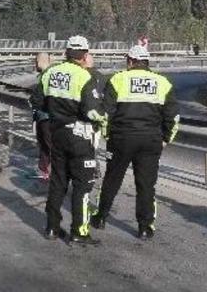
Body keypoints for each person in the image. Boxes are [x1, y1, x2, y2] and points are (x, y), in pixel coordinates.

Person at [90, 45, 179, 240]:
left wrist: (107, 136)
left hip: (122, 139)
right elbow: (172, 117)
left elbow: (106, 114)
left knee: (112, 180)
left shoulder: (118, 79)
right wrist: (165, 139)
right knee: (146, 185)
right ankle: (145, 227)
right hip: (150, 141)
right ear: (147, 62)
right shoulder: (163, 83)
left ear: (129, 61)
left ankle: (101, 217)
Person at [33, 36, 107, 245]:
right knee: (83, 185)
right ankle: (79, 232)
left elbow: (36, 101)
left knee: (58, 182)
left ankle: (51, 228)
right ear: (84, 55)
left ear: (66, 53)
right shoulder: (84, 77)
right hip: (80, 137)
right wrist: (104, 121)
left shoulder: (51, 73)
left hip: (56, 134)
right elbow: (93, 112)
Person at [29, 52, 53, 180]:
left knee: (49, 145)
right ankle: (44, 170)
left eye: (35, 62)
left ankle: (51, 172)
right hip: (43, 116)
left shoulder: (48, 74)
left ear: (39, 61)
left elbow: (43, 96)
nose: (35, 65)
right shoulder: (45, 74)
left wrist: (34, 101)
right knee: (44, 145)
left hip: (47, 116)